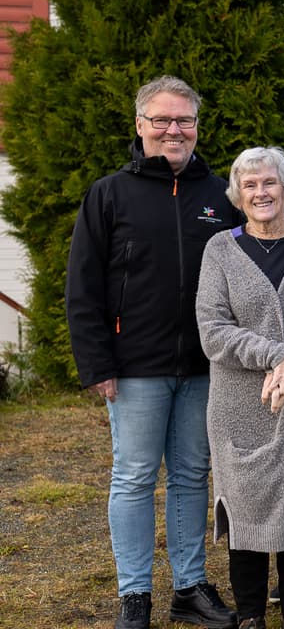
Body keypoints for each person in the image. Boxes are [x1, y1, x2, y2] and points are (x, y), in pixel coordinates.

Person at [65, 76, 238, 629]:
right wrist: (97, 364)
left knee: (192, 473)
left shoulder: (220, 195)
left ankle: (188, 587)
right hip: (134, 366)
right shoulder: (109, 193)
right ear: (140, 126)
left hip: (204, 367)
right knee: (134, 476)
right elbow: (82, 285)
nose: (173, 130)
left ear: (197, 125)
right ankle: (134, 594)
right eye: (161, 120)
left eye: (184, 120)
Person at [196, 148, 284, 629]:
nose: (262, 193)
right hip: (241, 402)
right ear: (239, 195)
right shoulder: (220, 249)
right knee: (247, 507)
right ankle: (252, 614)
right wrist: (276, 356)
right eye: (251, 186)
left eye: (270, 183)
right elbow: (212, 329)